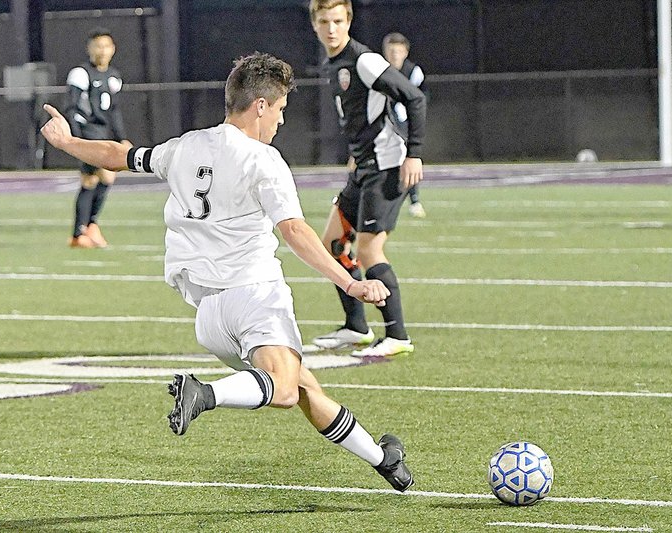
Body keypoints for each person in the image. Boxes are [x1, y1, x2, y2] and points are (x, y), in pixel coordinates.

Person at [40, 52, 414, 492]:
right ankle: (206, 394)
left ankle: (383, 459)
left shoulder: (184, 147)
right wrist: (350, 282)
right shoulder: (264, 160)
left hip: (209, 316)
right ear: (260, 105)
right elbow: (293, 230)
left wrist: (66, 143)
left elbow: (117, 155)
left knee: (306, 389)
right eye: (279, 109)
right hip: (253, 296)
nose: (280, 121)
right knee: (285, 389)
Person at [309, 0, 426, 356]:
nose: (332, 28)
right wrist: (355, 155)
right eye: (325, 21)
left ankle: (397, 335)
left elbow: (414, 97)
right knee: (332, 243)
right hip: (362, 167)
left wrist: (415, 152)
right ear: (315, 24)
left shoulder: (365, 60)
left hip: (387, 166)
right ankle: (356, 327)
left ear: (349, 21)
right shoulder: (332, 62)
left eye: (338, 21)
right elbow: (361, 116)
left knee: (369, 248)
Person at [63, 28, 131, 248]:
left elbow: (114, 111)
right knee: (96, 178)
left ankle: (84, 229)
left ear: (113, 49)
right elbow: (71, 107)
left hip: (101, 132)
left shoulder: (113, 76)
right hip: (87, 131)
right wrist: (76, 138)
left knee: (99, 179)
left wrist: (122, 138)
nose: (102, 51)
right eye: (98, 46)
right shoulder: (80, 74)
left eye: (106, 46)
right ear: (89, 49)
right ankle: (83, 230)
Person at [383, 31, 427, 219]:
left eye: (398, 51)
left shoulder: (413, 72)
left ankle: (414, 200)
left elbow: (420, 98)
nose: (395, 55)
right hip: (382, 123)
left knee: (407, 160)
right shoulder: (379, 70)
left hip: (403, 123)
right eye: (391, 51)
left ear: (406, 52)